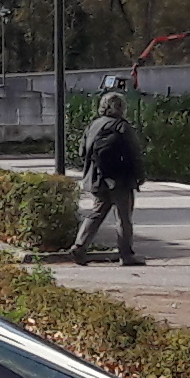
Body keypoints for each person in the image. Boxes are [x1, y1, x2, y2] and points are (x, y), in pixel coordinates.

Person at [69, 90, 147, 266]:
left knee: (96, 213)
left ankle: (79, 247)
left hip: (97, 179)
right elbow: (135, 154)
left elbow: (82, 152)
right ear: (120, 107)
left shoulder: (93, 126)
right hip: (120, 180)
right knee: (124, 218)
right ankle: (126, 255)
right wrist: (140, 175)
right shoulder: (122, 127)